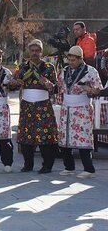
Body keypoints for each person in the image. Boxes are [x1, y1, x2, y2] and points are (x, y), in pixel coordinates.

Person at [12, 39, 58, 174]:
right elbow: (12, 84)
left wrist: (50, 85)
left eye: (37, 51)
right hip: (27, 106)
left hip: (43, 106)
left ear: (41, 52)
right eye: (32, 51)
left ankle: (47, 165)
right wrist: (15, 82)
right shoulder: (22, 67)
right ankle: (28, 164)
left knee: (45, 136)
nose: (34, 53)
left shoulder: (48, 67)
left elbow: (56, 88)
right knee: (26, 136)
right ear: (29, 52)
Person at [57, 46, 102, 178]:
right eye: (69, 60)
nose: (70, 62)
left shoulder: (90, 71)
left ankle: (89, 169)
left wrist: (88, 89)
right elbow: (59, 87)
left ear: (81, 59)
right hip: (67, 109)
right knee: (65, 139)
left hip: (82, 109)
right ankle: (69, 167)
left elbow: (98, 89)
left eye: (73, 60)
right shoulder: (64, 71)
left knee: (83, 139)